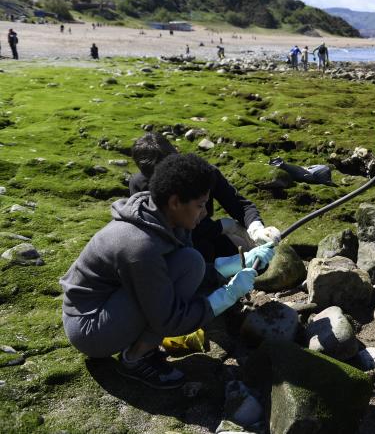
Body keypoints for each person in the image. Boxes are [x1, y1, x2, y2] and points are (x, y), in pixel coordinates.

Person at [60, 153, 276, 389]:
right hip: (90, 328)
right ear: (175, 202)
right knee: (166, 300)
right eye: (200, 205)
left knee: (191, 261)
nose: (205, 213)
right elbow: (169, 321)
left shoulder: (163, 216)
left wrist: (237, 263)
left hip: (113, 301)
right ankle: (135, 359)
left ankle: (136, 344)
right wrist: (228, 295)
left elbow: (189, 270)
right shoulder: (139, 247)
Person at [129, 133, 280, 261]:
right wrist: (221, 226)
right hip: (177, 246)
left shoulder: (206, 174)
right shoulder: (141, 186)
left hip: (208, 235)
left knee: (242, 255)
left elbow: (239, 205)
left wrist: (257, 229)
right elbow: (161, 232)